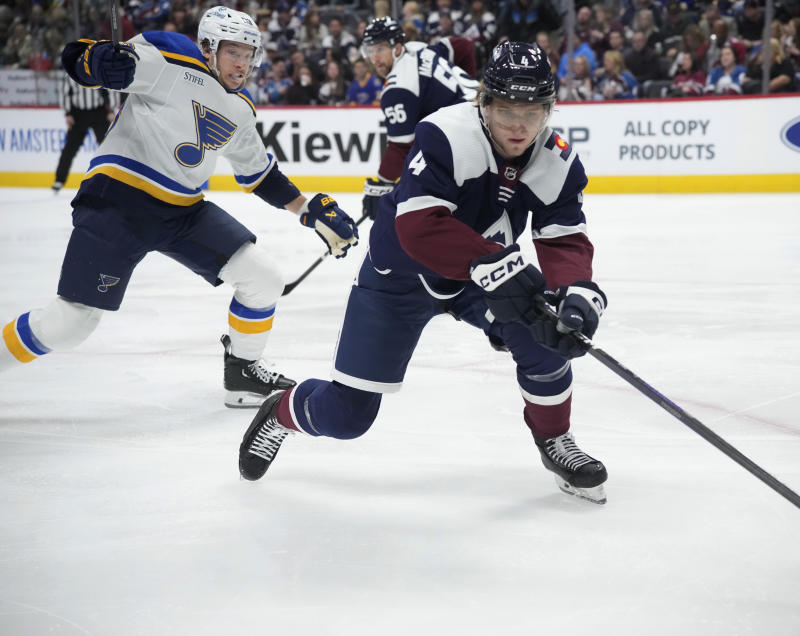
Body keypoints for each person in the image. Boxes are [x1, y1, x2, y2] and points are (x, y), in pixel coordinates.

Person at [237, 42, 611, 505]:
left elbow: (564, 239)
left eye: (533, 111)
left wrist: (574, 293)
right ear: (484, 102)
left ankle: (553, 439)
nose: (520, 125)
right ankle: (282, 413)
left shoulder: (557, 161)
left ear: (549, 110)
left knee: (545, 335)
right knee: (348, 417)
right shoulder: (445, 134)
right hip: (399, 276)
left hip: (478, 276)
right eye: (507, 109)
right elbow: (419, 228)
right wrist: (498, 268)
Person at [0, 6, 360, 409]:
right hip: (119, 200)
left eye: (249, 54)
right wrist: (98, 61)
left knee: (263, 276)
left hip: (182, 211)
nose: (243, 64)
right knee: (71, 323)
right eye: (233, 52)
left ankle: (241, 372)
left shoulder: (239, 109)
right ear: (208, 47)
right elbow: (79, 58)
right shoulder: (169, 59)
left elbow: (260, 176)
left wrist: (309, 211)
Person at [358, 17, 479, 222]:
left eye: (379, 49)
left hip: (471, 140)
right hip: (483, 111)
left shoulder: (397, 87)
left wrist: (381, 184)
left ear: (397, 48)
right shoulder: (418, 48)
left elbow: (401, 147)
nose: (374, 58)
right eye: (369, 51)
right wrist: (468, 88)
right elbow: (464, 46)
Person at [52, 77, 120, 193]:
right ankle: (59, 180)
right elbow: (65, 93)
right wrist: (68, 113)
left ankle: (114, 178)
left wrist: (112, 110)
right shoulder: (72, 73)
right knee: (70, 149)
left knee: (107, 148)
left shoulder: (97, 69)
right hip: (78, 114)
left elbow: (111, 89)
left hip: (99, 111)